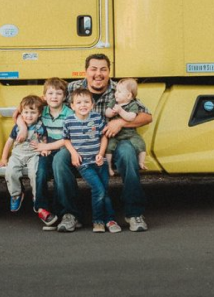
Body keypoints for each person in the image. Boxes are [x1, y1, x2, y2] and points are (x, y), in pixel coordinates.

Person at [53, 53, 152, 233]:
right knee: (60, 160)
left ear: (109, 72)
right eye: (94, 69)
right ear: (86, 71)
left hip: (114, 142)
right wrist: (20, 115)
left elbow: (147, 116)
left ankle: (134, 213)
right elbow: (45, 102)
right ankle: (71, 214)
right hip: (79, 144)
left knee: (129, 154)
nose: (98, 74)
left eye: (103, 69)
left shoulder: (120, 89)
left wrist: (121, 122)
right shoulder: (73, 88)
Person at [61, 88, 121, 233]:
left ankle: (110, 220)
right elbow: (66, 140)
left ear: (92, 104)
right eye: (79, 102)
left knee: (104, 191)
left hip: (99, 162)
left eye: (86, 102)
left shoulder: (96, 118)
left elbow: (103, 137)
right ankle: (98, 221)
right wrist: (74, 154)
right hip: (85, 164)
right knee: (98, 190)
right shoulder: (68, 121)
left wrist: (101, 154)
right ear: (72, 106)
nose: (83, 105)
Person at [31, 77, 73, 229]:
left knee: (57, 175)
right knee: (40, 171)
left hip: (62, 149)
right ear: (44, 96)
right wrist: (44, 145)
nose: (54, 97)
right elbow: (27, 117)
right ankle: (42, 209)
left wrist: (48, 145)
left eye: (58, 93)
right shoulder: (42, 112)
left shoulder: (69, 113)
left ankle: (58, 213)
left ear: (64, 96)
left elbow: (68, 138)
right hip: (46, 150)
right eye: (50, 93)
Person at [0, 95, 47, 212]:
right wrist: (4, 159)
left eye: (32, 112)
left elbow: (44, 139)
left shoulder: (40, 126)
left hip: (33, 154)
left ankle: (36, 196)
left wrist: (44, 149)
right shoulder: (17, 128)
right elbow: (9, 142)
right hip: (17, 155)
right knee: (10, 172)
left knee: (35, 173)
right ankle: (16, 194)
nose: (29, 116)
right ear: (21, 114)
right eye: (26, 112)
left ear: (39, 114)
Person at [104, 78, 147, 177]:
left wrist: (120, 112)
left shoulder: (133, 104)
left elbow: (131, 117)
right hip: (115, 135)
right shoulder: (114, 102)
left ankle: (141, 162)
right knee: (109, 147)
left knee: (141, 144)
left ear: (129, 95)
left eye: (119, 92)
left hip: (130, 134)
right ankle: (109, 166)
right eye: (116, 91)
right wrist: (111, 112)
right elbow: (107, 113)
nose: (116, 94)